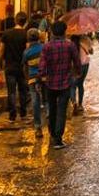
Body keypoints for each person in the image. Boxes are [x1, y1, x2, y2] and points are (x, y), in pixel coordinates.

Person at [39, 20, 81, 149]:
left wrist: (41, 78)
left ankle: (52, 134)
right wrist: (77, 73)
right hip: (65, 83)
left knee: (52, 109)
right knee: (61, 111)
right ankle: (58, 139)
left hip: (50, 83)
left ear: (52, 32)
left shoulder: (47, 46)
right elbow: (77, 61)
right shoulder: (70, 46)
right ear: (64, 32)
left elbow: (42, 65)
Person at [0, 11, 28, 122]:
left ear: (15, 20)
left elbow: (1, 51)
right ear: (25, 22)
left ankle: (12, 115)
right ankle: (23, 113)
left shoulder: (7, 33)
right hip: (21, 67)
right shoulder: (26, 34)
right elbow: (27, 51)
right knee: (22, 90)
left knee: (11, 91)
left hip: (9, 66)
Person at [23, 28, 44, 138]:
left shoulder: (27, 52)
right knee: (47, 100)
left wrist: (27, 79)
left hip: (32, 79)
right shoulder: (44, 48)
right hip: (45, 77)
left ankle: (38, 127)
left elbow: (25, 67)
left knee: (35, 102)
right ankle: (50, 123)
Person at [69, 34, 93, 115]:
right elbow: (91, 51)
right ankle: (80, 105)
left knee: (72, 86)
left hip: (74, 66)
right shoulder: (86, 39)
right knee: (80, 84)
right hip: (85, 65)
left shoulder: (69, 42)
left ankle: (73, 103)